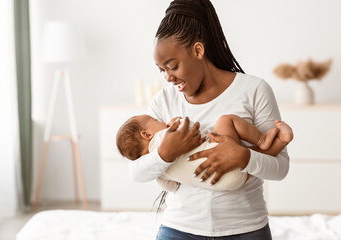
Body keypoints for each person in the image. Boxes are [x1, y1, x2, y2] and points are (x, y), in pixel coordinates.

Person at [129, 0, 290, 238]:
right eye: (161, 70)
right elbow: (137, 172)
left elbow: (281, 168)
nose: (168, 78)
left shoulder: (254, 89)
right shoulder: (163, 101)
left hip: (245, 229)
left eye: (172, 66)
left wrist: (244, 157)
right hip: (179, 228)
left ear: (197, 50)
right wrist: (165, 154)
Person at [117, 114, 293, 192]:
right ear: (146, 134)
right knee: (226, 121)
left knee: (244, 155)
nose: (161, 120)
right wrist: (174, 122)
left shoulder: (158, 172)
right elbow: (193, 127)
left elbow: (172, 187)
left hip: (225, 184)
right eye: (156, 120)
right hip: (227, 160)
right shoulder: (165, 135)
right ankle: (263, 139)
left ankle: (281, 141)